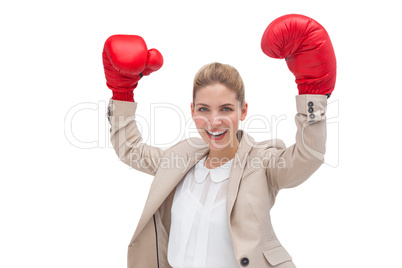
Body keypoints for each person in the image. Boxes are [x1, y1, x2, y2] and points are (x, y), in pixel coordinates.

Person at [103, 14, 336, 268]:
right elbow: (131, 149)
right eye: (204, 109)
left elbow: (308, 156)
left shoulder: (263, 163)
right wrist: (122, 92)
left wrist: (312, 93)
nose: (214, 121)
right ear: (192, 110)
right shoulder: (180, 158)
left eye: (225, 109)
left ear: (243, 111)